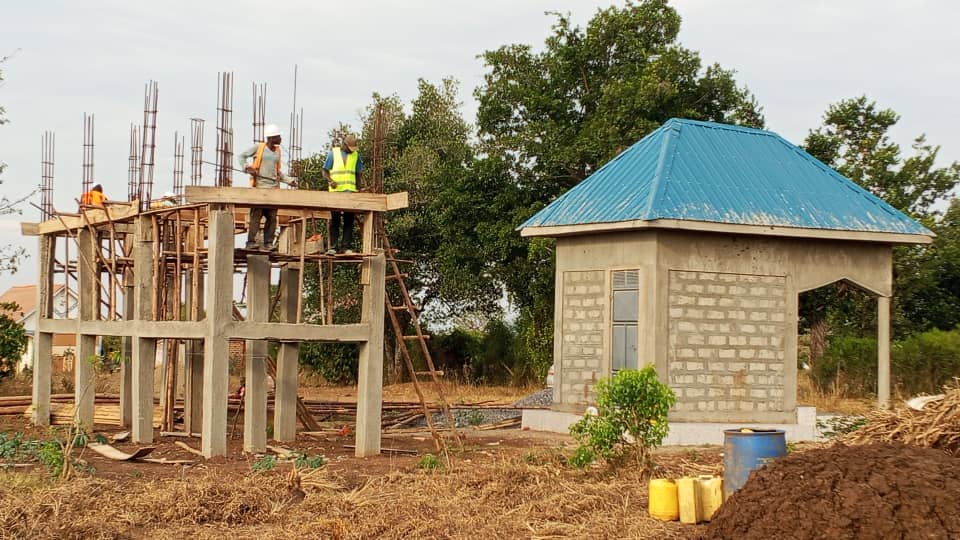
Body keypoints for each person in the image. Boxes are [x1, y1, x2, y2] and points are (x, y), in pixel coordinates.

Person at [238, 124, 298, 250]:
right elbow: (241, 156)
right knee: (256, 216)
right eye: (279, 136)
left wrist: (289, 180)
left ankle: (268, 243)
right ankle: (251, 242)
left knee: (272, 218)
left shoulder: (277, 152)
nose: (280, 138)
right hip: (259, 188)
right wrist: (247, 167)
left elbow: (277, 173)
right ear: (272, 138)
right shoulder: (259, 148)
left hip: (273, 190)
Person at [322, 133, 363, 255]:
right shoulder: (333, 154)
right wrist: (330, 181)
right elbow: (324, 171)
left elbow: (358, 174)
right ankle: (333, 247)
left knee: (349, 220)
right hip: (335, 193)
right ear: (344, 145)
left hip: (350, 193)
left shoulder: (356, 156)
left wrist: (358, 191)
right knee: (335, 220)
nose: (351, 151)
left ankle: (346, 247)